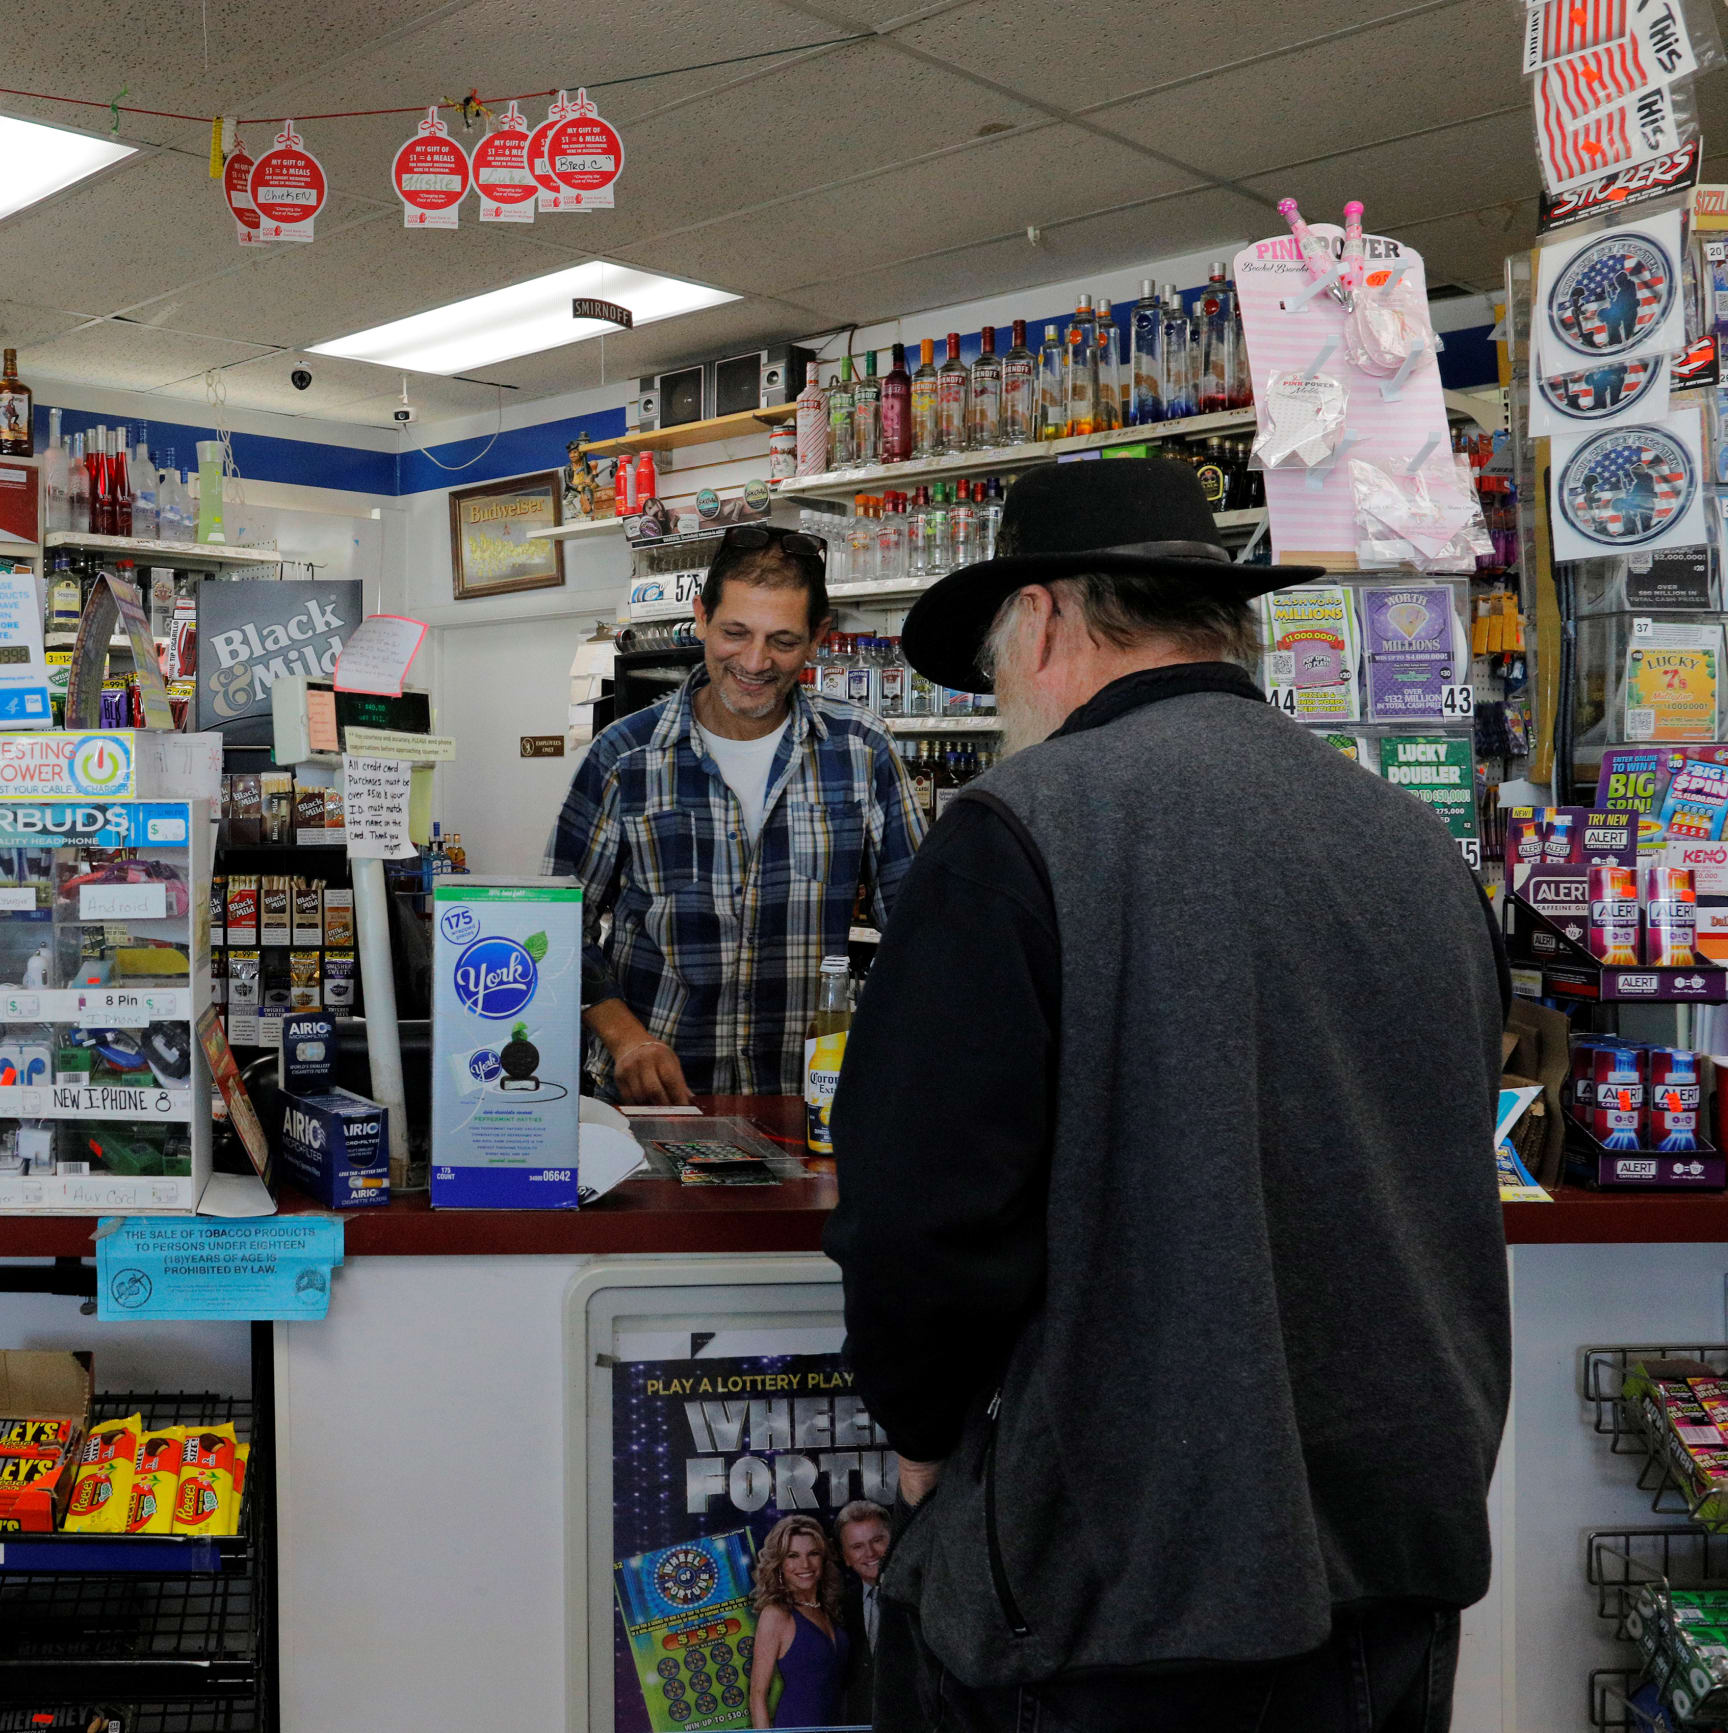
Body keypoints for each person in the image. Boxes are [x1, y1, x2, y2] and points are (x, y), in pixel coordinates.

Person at [821, 459, 1509, 1731]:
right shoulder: (1410, 845)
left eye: (993, 659)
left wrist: (917, 1427)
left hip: (1105, 1601)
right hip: (1386, 1575)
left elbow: (922, 1209)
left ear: (1042, 619)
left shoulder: (1017, 827)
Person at [548, 525, 920, 1104]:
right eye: (734, 632)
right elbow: (556, 916)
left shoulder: (861, 750)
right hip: (655, 1101)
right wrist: (626, 1041)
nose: (754, 661)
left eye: (783, 640)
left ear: (819, 636)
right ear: (700, 617)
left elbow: (921, 925)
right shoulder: (626, 756)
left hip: (807, 1100)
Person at [749, 1514, 849, 1730]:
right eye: (793, 1555)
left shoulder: (828, 1608)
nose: (805, 1564)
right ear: (780, 1564)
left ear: (823, 1558)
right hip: (797, 1725)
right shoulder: (776, 1614)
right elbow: (757, 1695)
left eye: (813, 1553)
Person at [835, 1501, 891, 1726]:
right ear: (846, 1557)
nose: (870, 1553)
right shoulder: (839, 1607)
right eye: (857, 1546)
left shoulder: (922, 1596)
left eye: (878, 1540)